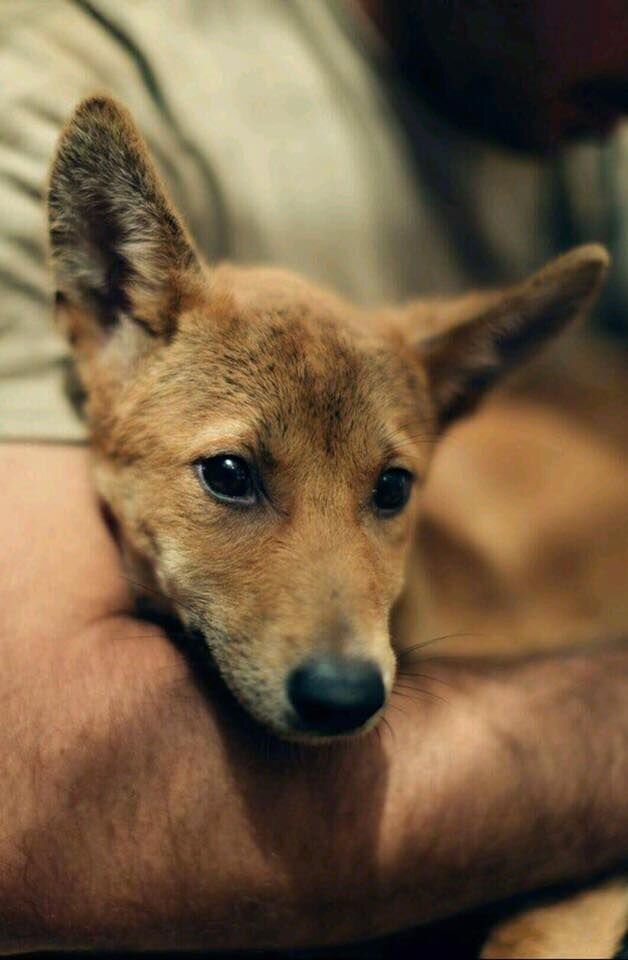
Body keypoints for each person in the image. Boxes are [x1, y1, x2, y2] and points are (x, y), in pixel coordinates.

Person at [1, 1, 627, 953]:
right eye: (231, 477)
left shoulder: (572, 118)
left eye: (386, 493)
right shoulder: (63, 67)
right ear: (108, 300)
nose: (342, 650)